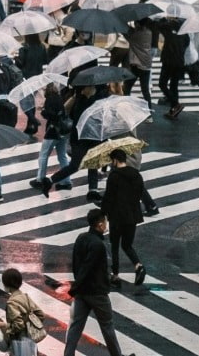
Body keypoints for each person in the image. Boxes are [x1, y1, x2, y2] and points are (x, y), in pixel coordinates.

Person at [66, 209, 125, 356]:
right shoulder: (98, 245)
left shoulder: (81, 238)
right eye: (105, 221)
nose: (106, 224)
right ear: (99, 225)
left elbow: (76, 264)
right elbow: (88, 267)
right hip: (97, 293)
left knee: (76, 326)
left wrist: (77, 286)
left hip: (82, 292)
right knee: (107, 326)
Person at [101, 149, 151, 287]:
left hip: (117, 216)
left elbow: (108, 197)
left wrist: (103, 213)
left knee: (115, 245)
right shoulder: (136, 174)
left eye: (112, 161)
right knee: (127, 245)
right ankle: (138, 265)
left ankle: (116, 275)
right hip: (133, 216)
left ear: (116, 160)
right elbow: (141, 193)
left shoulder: (114, 176)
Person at [0, 268, 49, 356]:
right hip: (30, 340)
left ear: (8, 285)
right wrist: (29, 325)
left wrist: (3, 325)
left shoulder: (12, 303)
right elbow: (41, 315)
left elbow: (18, 325)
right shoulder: (25, 297)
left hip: (18, 342)